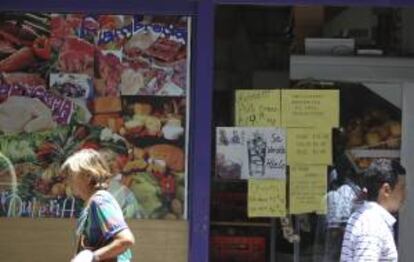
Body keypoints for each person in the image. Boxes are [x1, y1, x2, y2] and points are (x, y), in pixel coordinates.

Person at [61, 149, 135, 262]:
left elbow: (125, 240)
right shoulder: (90, 204)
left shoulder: (100, 201)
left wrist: (91, 257)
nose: (68, 181)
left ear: (88, 176)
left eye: (71, 175)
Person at [340, 159, 406, 262]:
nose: (405, 194)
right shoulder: (372, 225)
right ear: (386, 190)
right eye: (402, 188)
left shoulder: (366, 217)